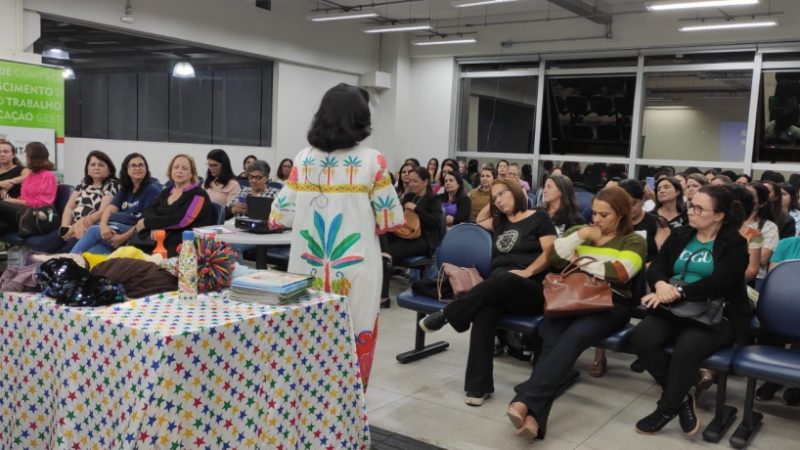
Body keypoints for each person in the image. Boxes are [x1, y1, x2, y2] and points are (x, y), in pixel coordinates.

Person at [268, 83, 403, 389]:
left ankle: (310, 418)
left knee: (307, 343)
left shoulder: (303, 159)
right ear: (360, 117)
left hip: (306, 269)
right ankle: (349, 420)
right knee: (355, 339)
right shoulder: (373, 161)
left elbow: (278, 216)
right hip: (357, 270)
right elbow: (391, 219)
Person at [506, 186, 646, 441]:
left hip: (610, 303)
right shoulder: (579, 233)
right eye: (594, 213)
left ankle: (524, 399)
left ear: (621, 215)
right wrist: (582, 234)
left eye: (605, 215)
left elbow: (622, 272)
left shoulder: (633, 240)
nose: (597, 220)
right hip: (570, 299)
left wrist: (582, 263)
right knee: (550, 339)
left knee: (572, 339)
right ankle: (534, 421)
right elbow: (555, 257)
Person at [419, 178, 556, 406]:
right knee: (484, 312)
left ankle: (447, 315)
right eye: (496, 198)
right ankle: (478, 387)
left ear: (516, 191)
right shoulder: (500, 222)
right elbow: (479, 219)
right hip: (497, 288)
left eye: (503, 194)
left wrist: (528, 270)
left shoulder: (539, 218)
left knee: (507, 278)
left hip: (529, 287)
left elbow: (551, 252)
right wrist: (492, 199)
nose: (499, 201)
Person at [629, 185, 750, 436]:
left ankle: (667, 408)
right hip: (676, 307)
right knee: (641, 338)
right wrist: (662, 284)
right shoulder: (681, 234)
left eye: (697, 208)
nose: (690, 211)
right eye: (690, 204)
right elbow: (657, 267)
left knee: (687, 347)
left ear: (718, 215)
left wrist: (680, 291)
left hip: (717, 313)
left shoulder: (734, 243)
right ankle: (683, 398)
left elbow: (723, 281)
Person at [71, 153, 161, 255]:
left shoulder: (152, 190)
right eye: (133, 165)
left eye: (141, 165)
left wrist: (122, 238)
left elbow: (144, 221)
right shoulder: (126, 188)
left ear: (146, 168)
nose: (137, 168)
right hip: (113, 228)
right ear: (126, 169)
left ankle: (68, 260)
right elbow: (109, 209)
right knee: (90, 254)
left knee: (93, 230)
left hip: (129, 230)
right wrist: (103, 226)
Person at [379, 166, 442, 308]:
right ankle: (377, 290)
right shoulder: (409, 196)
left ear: (426, 182)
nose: (411, 184)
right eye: (410, 181)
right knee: (382, 243)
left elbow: (435, 223)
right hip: (406, 234)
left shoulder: (433, 199)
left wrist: (416, 209)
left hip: (423, 240)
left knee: (390, 253)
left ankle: (383, 297)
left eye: (415, 181)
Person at [134, 154, 214, 256]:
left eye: (184, 168)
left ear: (192, 173)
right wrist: (154, 227)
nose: (179, 171)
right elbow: (149, 211)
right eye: (176, 167)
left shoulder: (199, 195)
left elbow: (181, 220)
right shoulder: (166, 191)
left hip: (185, 244)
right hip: (161, 238)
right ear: (171, 171)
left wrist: (149, 223)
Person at [46, 150, 119, 252]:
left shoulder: (111, 184)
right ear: (88, 169)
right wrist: (65, 228)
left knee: (66, 250)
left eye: (101, 165)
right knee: (46, 244)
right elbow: (69, 207)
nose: (96, 167)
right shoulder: (84, 183)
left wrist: (75, 228)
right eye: (92, 165)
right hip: (73, 227)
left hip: (89, 229)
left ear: (109, 170)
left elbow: (102, 211)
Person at [0, 142, 57, 233]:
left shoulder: (48, 176)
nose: (25, 158)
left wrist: (13, 201)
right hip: (22, 213)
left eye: (27, 155)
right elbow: (24, 197)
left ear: (33, 157)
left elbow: (42, 203)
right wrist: (8, 198)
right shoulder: (31, 175)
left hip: (35, 214)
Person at [746, 182, 779, 288]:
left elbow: (762, 259)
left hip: (755, 279)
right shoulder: (730, 222)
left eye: (750, 196)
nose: (745, 198)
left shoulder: (768, 227)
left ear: (762, 203)